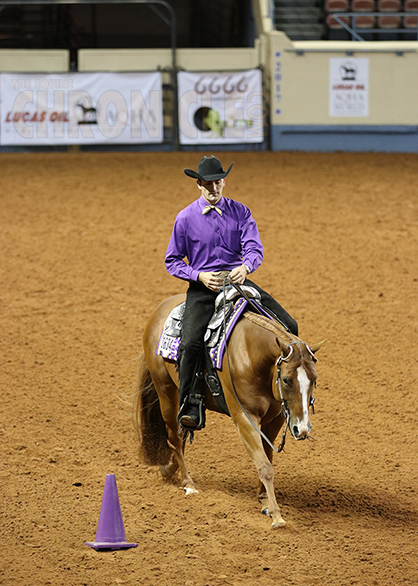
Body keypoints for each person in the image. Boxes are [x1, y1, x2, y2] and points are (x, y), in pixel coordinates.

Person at [165, 155, 298, 430]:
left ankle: (286, 391)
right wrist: (198, 275)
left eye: (218, 182)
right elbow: (173, 260)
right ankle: (191, 401)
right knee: (190, 343)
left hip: (238, 283)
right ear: (199, 184)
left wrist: (246, 267)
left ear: (224, 181)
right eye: (208, 184)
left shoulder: (241, 212)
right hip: (204, 288)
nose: (213, 188)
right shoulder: (185, 218)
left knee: (290, 325)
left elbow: (254, 248)